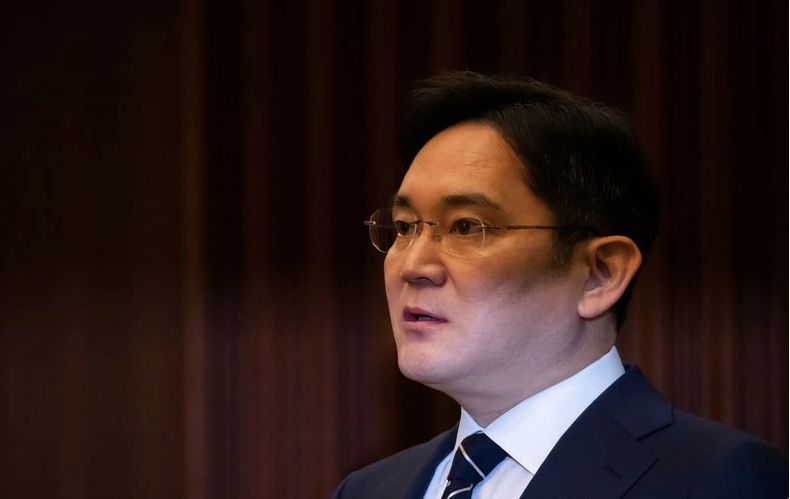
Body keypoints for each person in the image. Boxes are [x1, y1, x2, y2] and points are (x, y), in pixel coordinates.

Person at [332, 71, 788, 498]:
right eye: (405, 226)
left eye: (467, 227)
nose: (413, 265)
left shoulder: (719, 477)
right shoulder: (369, 489)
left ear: (600, 273)